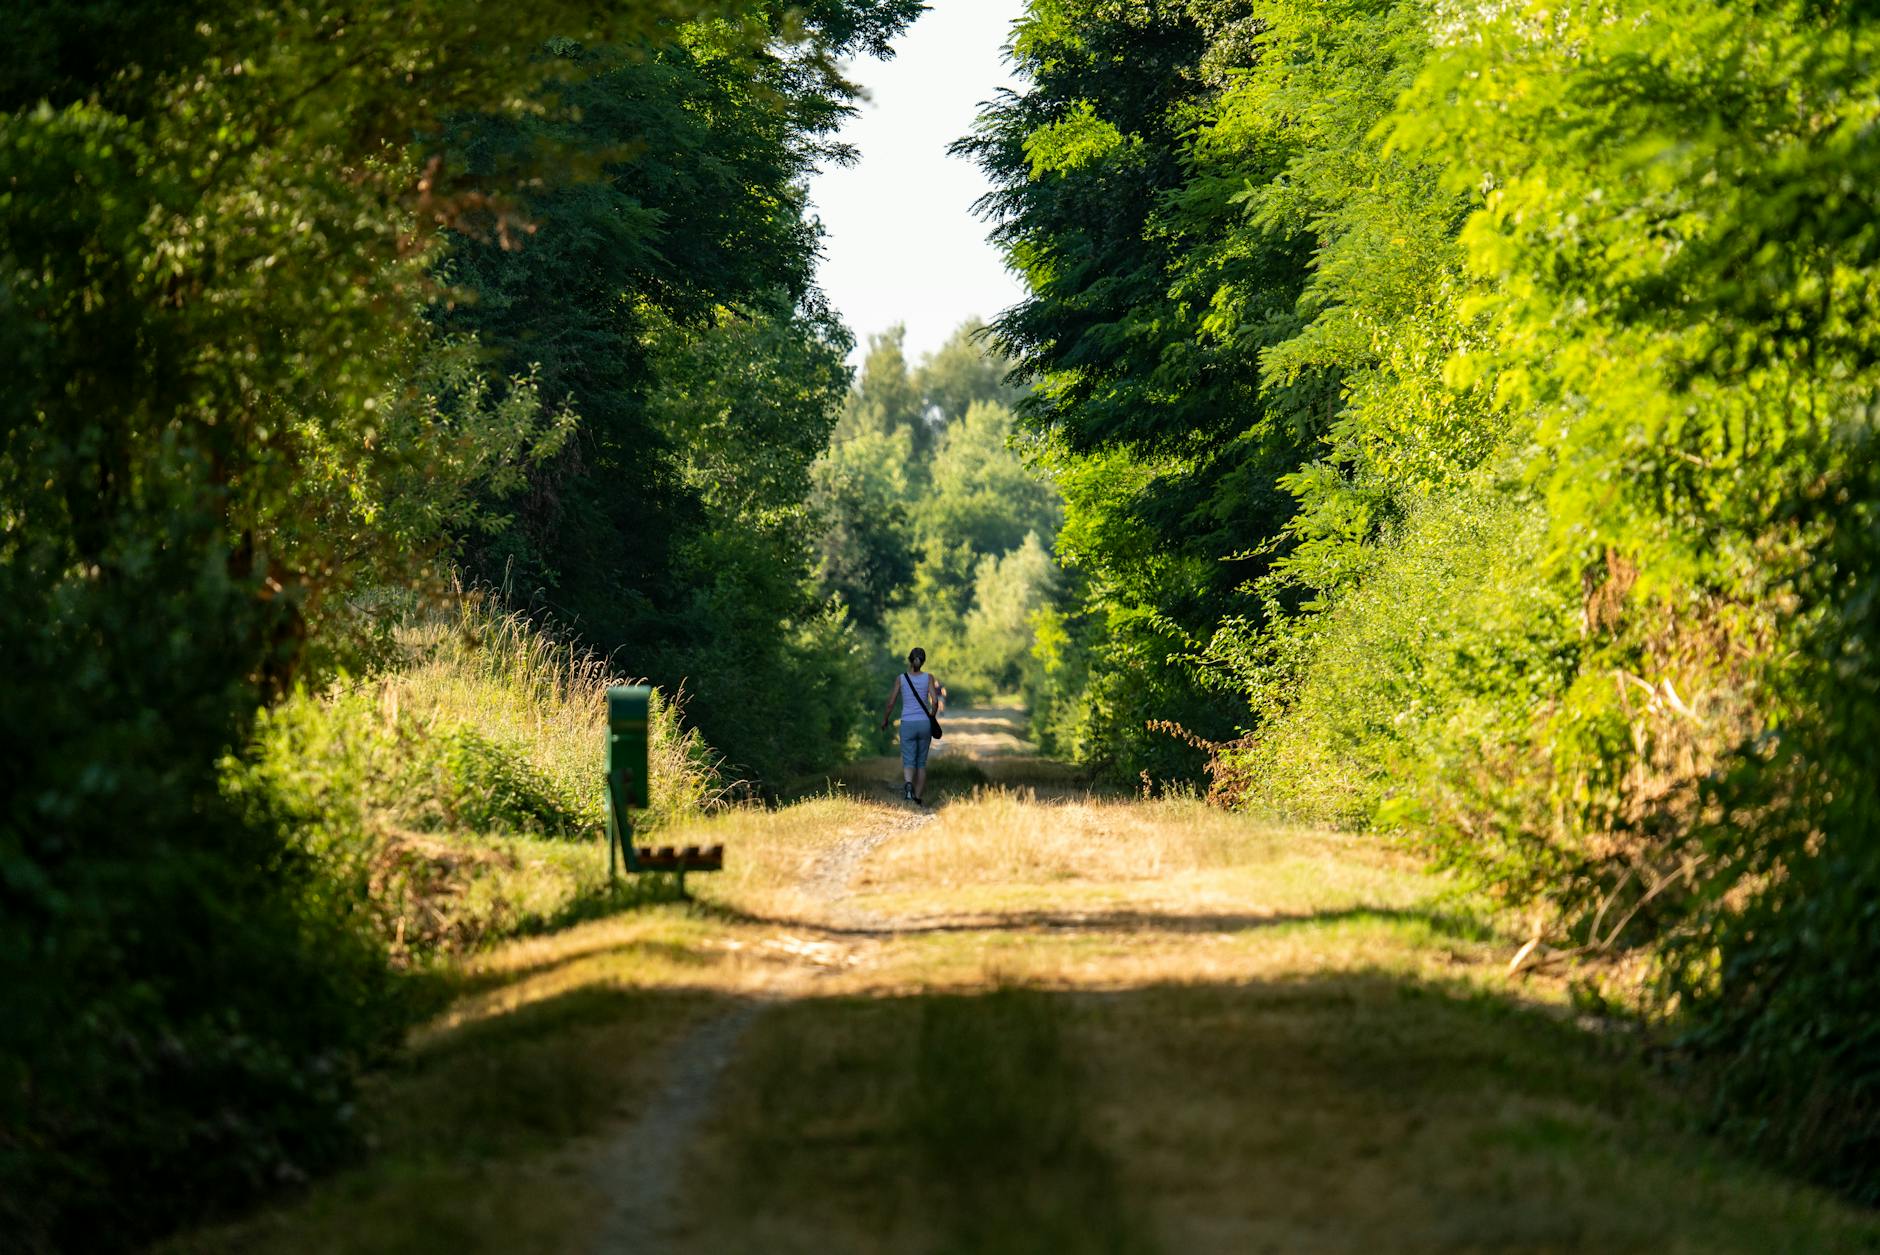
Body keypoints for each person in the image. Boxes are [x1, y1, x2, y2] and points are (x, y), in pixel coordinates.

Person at [879, 646, 944, 804]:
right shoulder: (929, 678)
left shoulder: (901, 678)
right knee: (921, 763)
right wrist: (932, 715)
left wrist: (885, 720)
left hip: (907, 723)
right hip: (924, 724)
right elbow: (935, 701)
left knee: (908, 761)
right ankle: (918, 798)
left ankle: (908, 787)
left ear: (910, 660)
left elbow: (891, 703)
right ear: (923, 662)